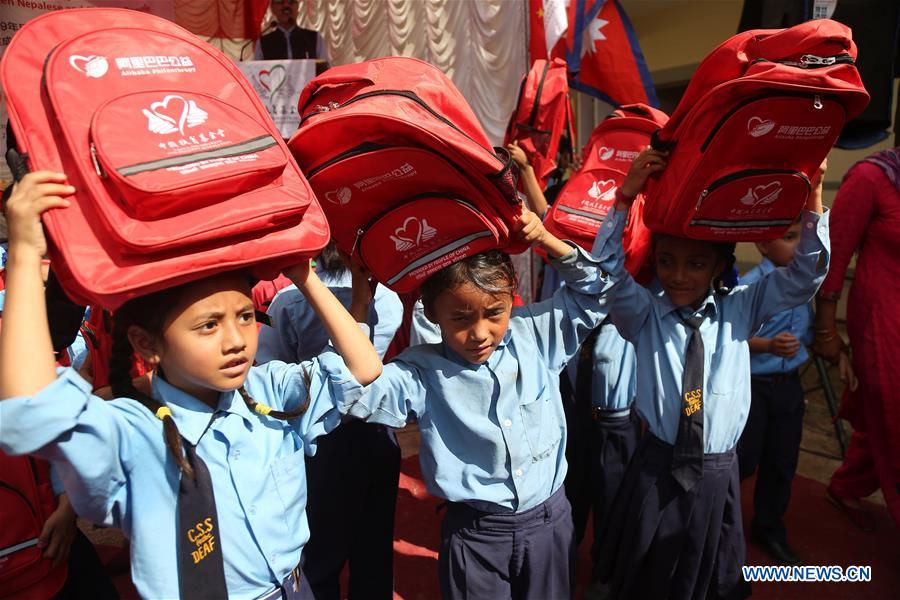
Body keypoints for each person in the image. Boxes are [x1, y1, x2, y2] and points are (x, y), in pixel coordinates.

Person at [0, 172, 382, 599]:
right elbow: (29, 412)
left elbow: (362, 368)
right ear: (147, 344)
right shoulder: (134, 430)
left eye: (244, 317)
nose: (236, 340)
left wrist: (303, 276)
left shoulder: (267, 392)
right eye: (208, 325)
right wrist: (24, 255)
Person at [340, 208, 614, 599]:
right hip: (476, 534)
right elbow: (354, 393)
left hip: (550, 521)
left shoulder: (536, 334)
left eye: (494, 313)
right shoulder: (421, 371)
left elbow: (598, 291)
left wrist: (545, 238)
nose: (480, 333)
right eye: (461, 318)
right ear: (431, 313)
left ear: (510, 302)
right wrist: (360, 305)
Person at [593, 148, 830, 599]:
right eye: (667, 261)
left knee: (709, 577)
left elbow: (805, 276)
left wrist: (813, 197)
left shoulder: (743, 308)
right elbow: (604, 274)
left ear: (720, 265)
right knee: (648, 577)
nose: (679, 275)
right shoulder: (642, 313)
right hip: (657, 467)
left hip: (718, 471)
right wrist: (624, 199)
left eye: (696, 263)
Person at [256, 242, 403, 600]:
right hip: (376, 430)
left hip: (318, 438)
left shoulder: (288, 301)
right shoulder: (388, 300)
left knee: (321, 554)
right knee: (374, 548)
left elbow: (273, 373)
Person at [815, 146, 900, 530]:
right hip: (883, 322)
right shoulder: (871, 177)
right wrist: (827, 331)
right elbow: (832, 257)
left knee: (882, 415)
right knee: (893, 414)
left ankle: (846, 485)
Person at [738, 208, 820, 566]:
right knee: (744, 458)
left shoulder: (804, 285)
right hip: (753, 386)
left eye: (800, 237)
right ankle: (716, 517)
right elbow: (730, 337)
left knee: (782, 459)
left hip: (788, 387)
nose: (798, 246)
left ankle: (769, 527)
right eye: (788, 238)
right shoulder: (750, 285)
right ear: (762, 244)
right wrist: (767, 346)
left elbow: (808, 330)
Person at [254, 0, 329, 63]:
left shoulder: (314, 38)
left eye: (291, 2)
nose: (286, 5)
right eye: (281, 2)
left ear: (297, 7)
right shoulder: (263, 43)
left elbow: (325, 69)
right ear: (272, 8)